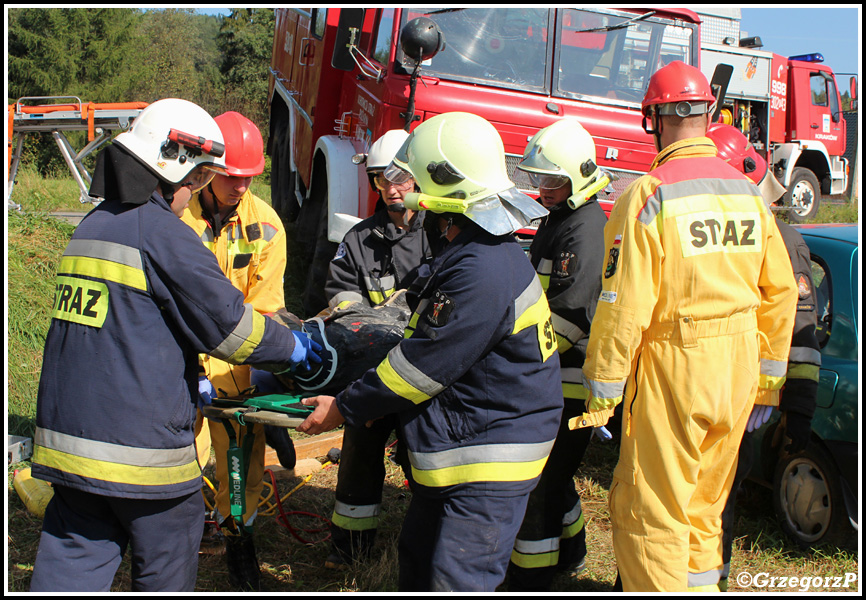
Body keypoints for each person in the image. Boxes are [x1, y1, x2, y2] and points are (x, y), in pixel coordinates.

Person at [29, 98, 321, 593]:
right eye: (201, 177)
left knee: (72, 566)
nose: (199, 189)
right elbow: (231, 326)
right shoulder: (163, 232)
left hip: (70, 448)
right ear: (174, 169)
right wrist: (294, 349)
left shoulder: (91, 227)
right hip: (142, 454)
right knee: (167, 562)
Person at [296, 111, 563, 592]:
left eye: (414, 180)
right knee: (418, 562)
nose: (404, 190)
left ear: (444, 187)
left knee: (453, 580)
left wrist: (347, 406)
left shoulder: (482, 269)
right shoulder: (471, 251)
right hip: (465, 442)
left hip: (488, 460)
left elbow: (418, 368)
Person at [575, 62, 798, 592]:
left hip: (676, 367)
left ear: (653, 118)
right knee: (704, 506)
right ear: (707, 114)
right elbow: (781, 292)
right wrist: (768, 383)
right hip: (738, 370)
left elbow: (624, 304)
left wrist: (602, 391)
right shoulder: (749, 193)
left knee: (652, 512)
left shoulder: (648, 196)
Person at [706, 123, 820, 590]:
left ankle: (710, 581)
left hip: (749, 401)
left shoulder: (781, 240)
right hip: (708, 388)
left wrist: (797, 412)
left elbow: (800, 334)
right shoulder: (719, 230)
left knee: (716, 506)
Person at [181, 111, 291, 590]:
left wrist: (264, 374)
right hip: (179, 355)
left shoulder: (266, 226)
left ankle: (238, 539)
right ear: (208, 169)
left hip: (235, 363)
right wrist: (192, 367)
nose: (240, 187)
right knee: (179, 451)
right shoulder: (176, 217)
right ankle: (175, 535)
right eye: (230, 176)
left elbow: (264, 310)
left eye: (249, 178)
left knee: (241, 458)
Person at [507, 118, 610, 591]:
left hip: (570, 384)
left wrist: (516, 357)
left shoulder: (585, 231)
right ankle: (572, 552)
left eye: (553, 180)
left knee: (544, 480)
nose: (543, 188)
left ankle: (532, 576)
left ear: (579, 177)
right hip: (554, 376)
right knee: (557, 476)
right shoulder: (562, 220)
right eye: (539, 178)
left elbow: (569, 317)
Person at [322, 129, 431, 568]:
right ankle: (348, 550)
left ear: (418, 178)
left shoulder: (440, 234)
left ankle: (428, 544)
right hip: (372, 371)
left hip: (423, 371)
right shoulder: (359, 239)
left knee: (423, 454)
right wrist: (363, 323)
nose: (390, 189)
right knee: (359, 452)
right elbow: (340, 292)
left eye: (399, 178)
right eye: (381, 179)